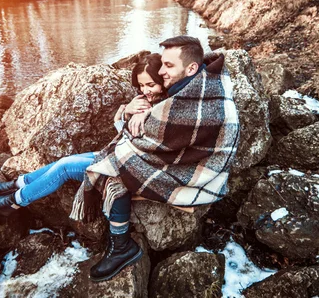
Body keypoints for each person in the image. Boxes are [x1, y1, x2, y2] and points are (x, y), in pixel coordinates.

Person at [0, 53, 166, 281]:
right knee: (64, 162)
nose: (145, 89)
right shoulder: (146, 100)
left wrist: (137, 114)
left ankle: (11, 202)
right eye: (141, 85)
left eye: (150, 84)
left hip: (129, 164)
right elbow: (121, 130)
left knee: (65, 167)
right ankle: (12, 186)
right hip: (118, 154)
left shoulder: (164, 108)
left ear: (163, 78)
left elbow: (137, 138)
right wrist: (127, 109)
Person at [69, 36, 239, 282]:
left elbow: (142, 141)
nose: (161, 71)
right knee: (91, 165)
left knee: (110, 172)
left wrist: (135, 117)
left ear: (191, 68)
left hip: (196, 177)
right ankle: (12, 193)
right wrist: (138, 112)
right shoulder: (189, 88)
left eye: (168, 66)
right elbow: (149, 136)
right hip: (169, 163)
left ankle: (122, 247)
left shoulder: (199, 100)